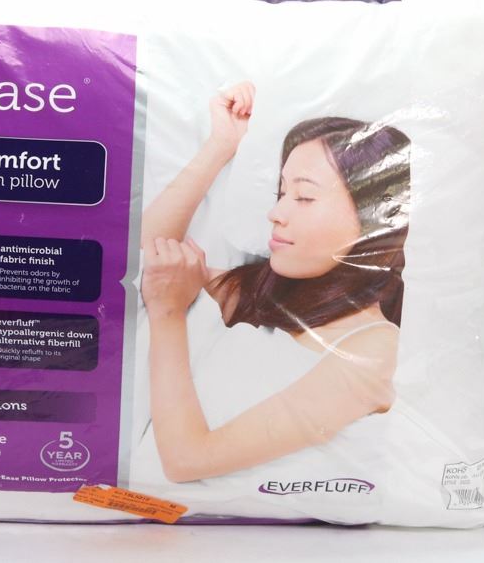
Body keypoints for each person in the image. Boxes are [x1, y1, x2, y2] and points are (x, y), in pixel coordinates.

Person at [138, 81, 411, 483]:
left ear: (376, 219)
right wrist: (220, 146)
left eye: (304, 197)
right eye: (281, 192)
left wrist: (168, 315)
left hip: (207, 517)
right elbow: (142, 260)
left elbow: (187, 461)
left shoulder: (374, 349)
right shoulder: (268, 290)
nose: (276, 213)